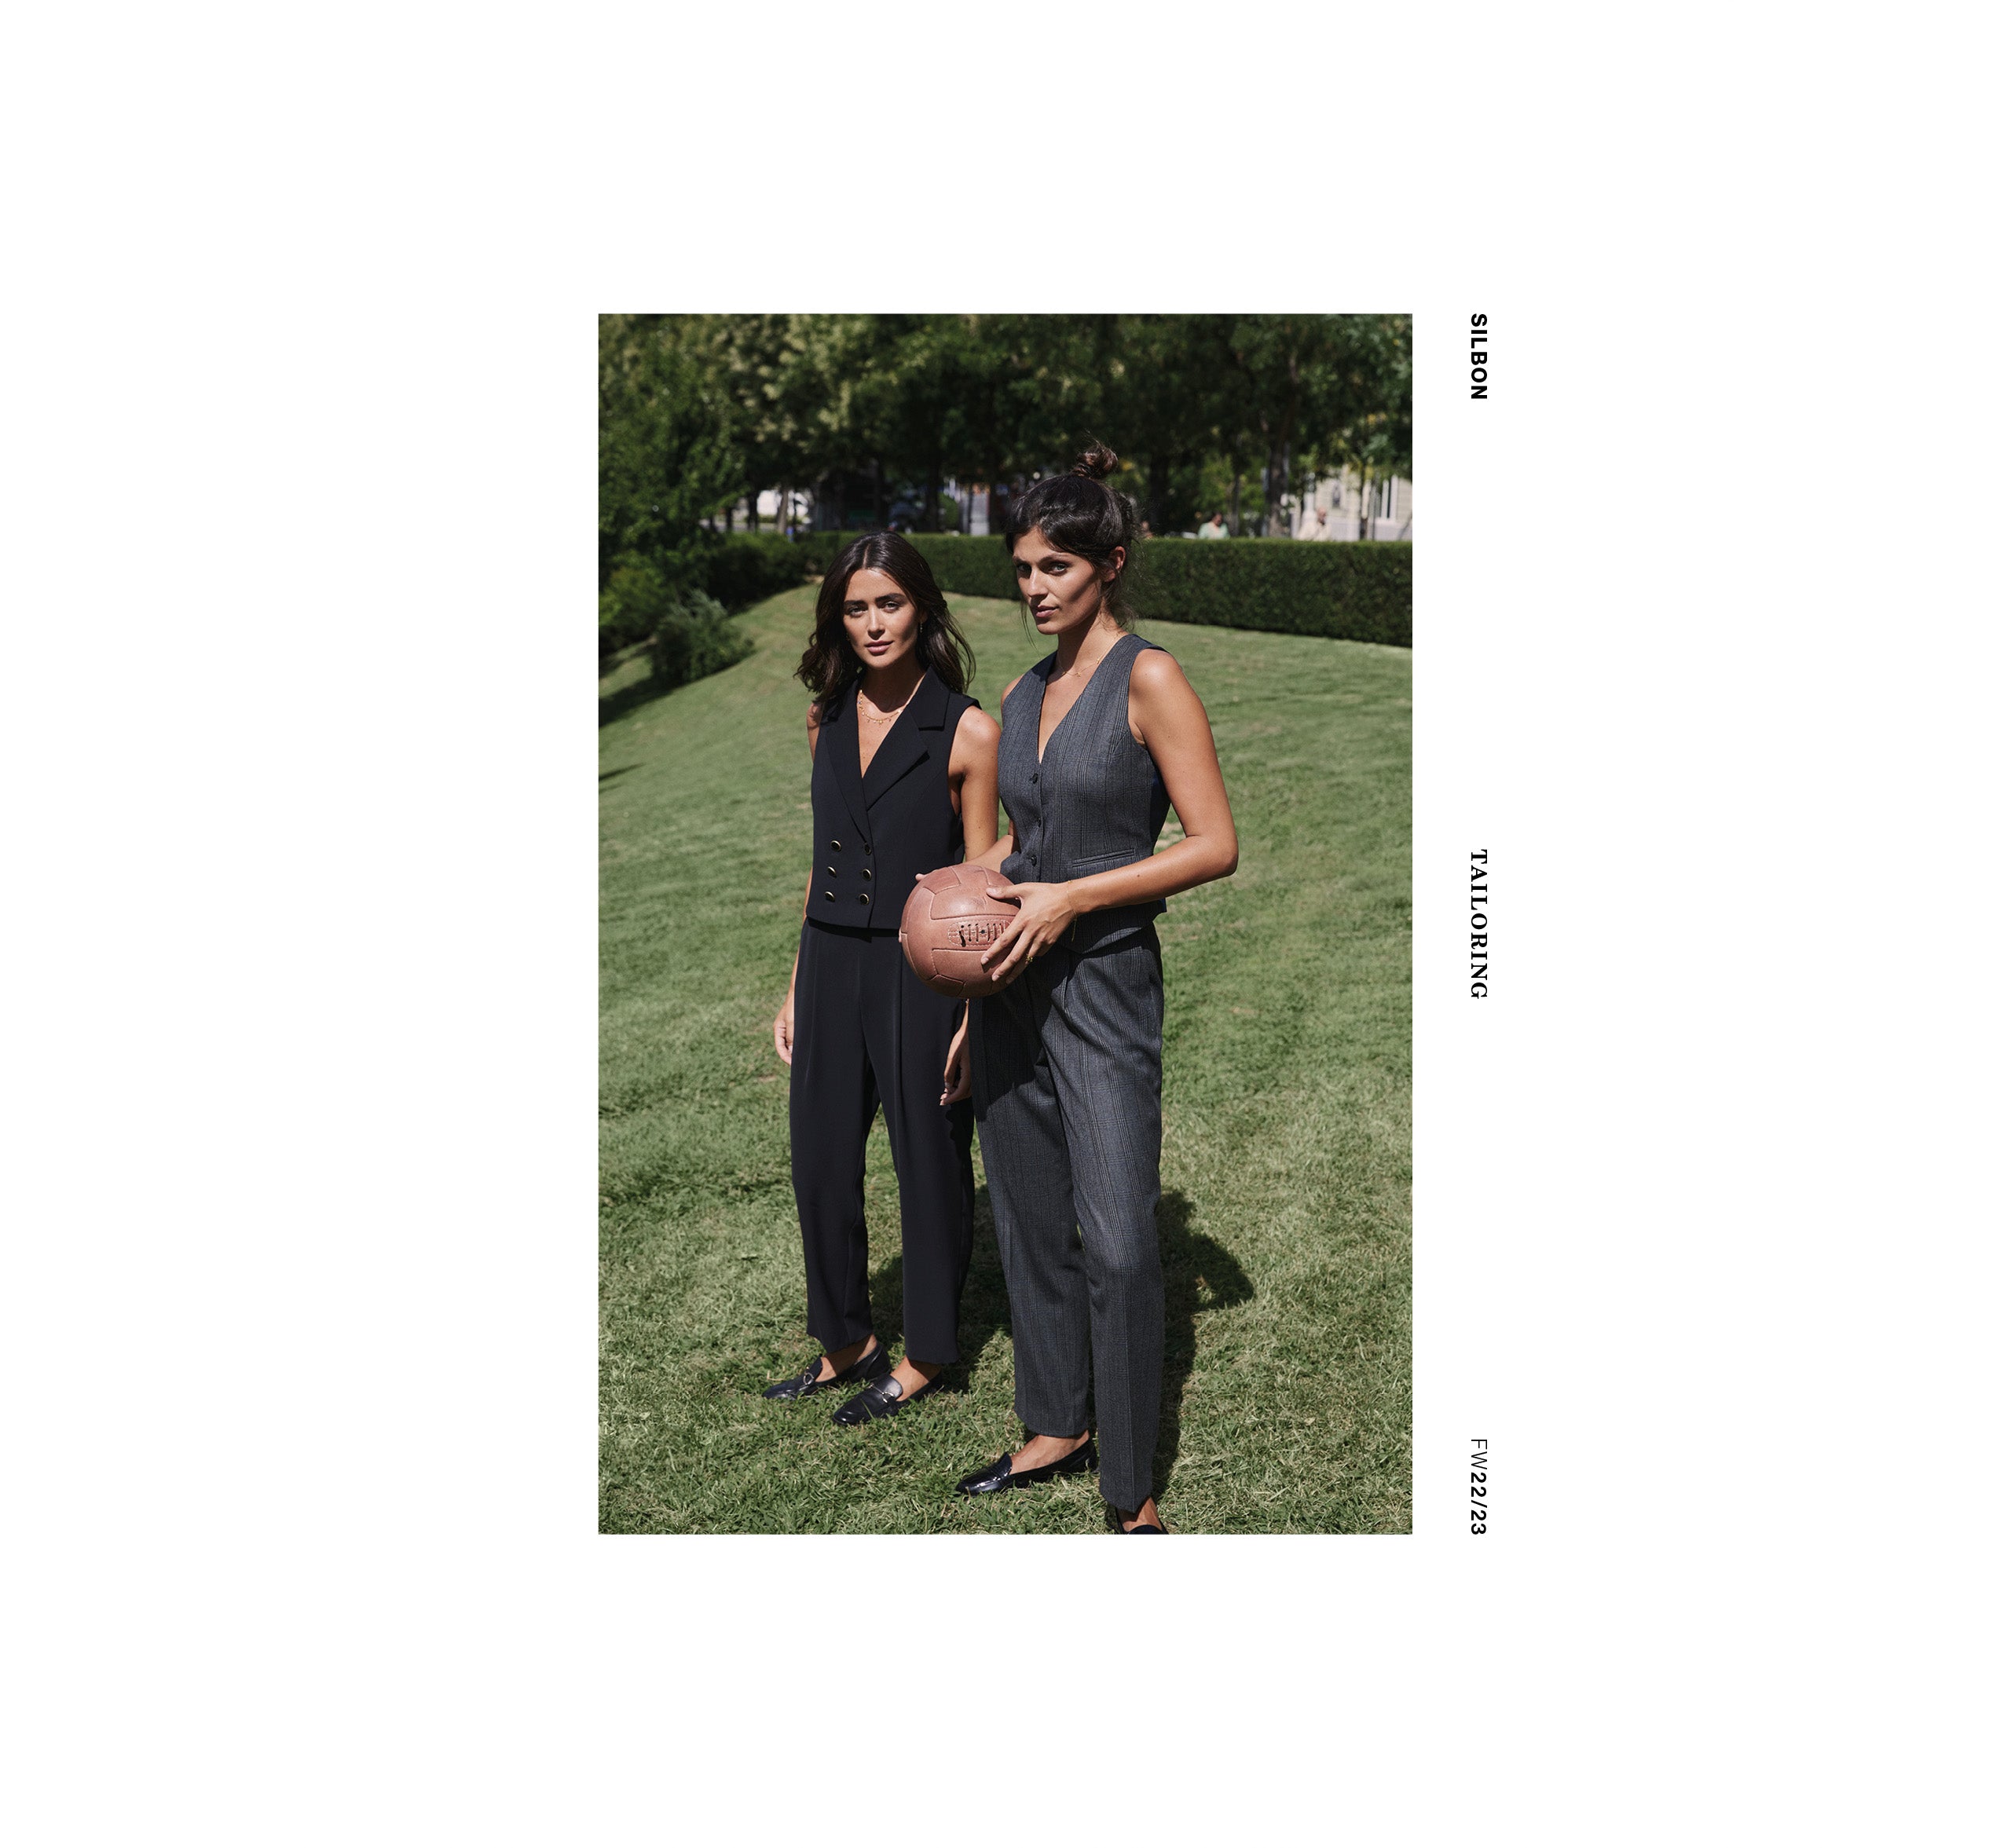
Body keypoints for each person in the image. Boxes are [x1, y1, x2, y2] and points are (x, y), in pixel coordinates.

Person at [955, 442, 1240, 1533]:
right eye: (1023, 569)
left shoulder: (1149, 678)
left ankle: (1132, 1491)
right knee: (1030, 1222)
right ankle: (1055, 1422)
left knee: (1118, 1240)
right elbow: (1025, 840)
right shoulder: (1022, 690)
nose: (1034, 588)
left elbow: (1213, 843)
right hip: (1011, 987)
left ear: (1109, 564)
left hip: (1105, 981)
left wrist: (1076, 898)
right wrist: (961, 924)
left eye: (1056, 568)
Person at [765, 532, 1002, 1425]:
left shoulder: (967, 729)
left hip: (920, 971)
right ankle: (845, 1341)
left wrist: (973, 1017)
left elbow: (983, 885)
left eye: (890, 604)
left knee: (928, 1158)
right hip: (830, 960)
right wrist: (797, 981)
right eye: (856, 607)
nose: (873, 624)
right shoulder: (823, 717)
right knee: (819, 1158)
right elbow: (820, 857)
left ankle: (928, 1351)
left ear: (922, 608)